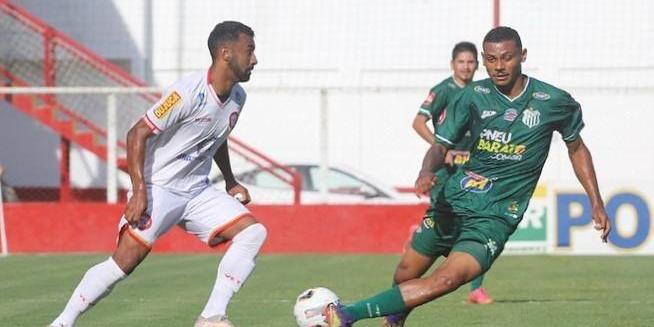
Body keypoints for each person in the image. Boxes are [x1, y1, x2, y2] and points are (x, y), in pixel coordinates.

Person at [324, 26, 611, 327]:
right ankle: (394, 320)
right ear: (484, 61)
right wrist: (425, 171)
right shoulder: (473, 95)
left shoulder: (553, 101)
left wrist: (596, 202)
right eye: (491, 59)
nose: (499, 66)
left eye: (507, 58)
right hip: (454, 201)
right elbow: (440, 144)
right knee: (405, 273)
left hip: (494, 217)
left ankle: (345, 314)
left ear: (522, 56)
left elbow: (577, 149)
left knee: (448, 278)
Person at [49, 21, 265, 327]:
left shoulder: (238, 97)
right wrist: (139, 192)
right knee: (123, 263)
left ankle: (212, 316)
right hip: (158, 187)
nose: (255, 59)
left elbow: (217, 137)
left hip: (196, 191)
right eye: (250, 50)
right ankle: (62, 322)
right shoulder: (186, 93)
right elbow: (137, 134)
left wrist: (229, 180)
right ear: (225, 53)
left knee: (253, 233)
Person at [406, 42, 494, 313]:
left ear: (476, 65)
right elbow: (418, 122)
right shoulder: (443, 90)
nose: (466, 67)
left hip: (472, 170)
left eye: (470, 62)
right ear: (452, 64)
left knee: (476, 226)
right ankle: (413, 270)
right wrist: (441, 149)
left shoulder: (481, 92)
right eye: (461, 62)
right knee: (447, 227)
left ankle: (476, 288)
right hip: (447, 173)